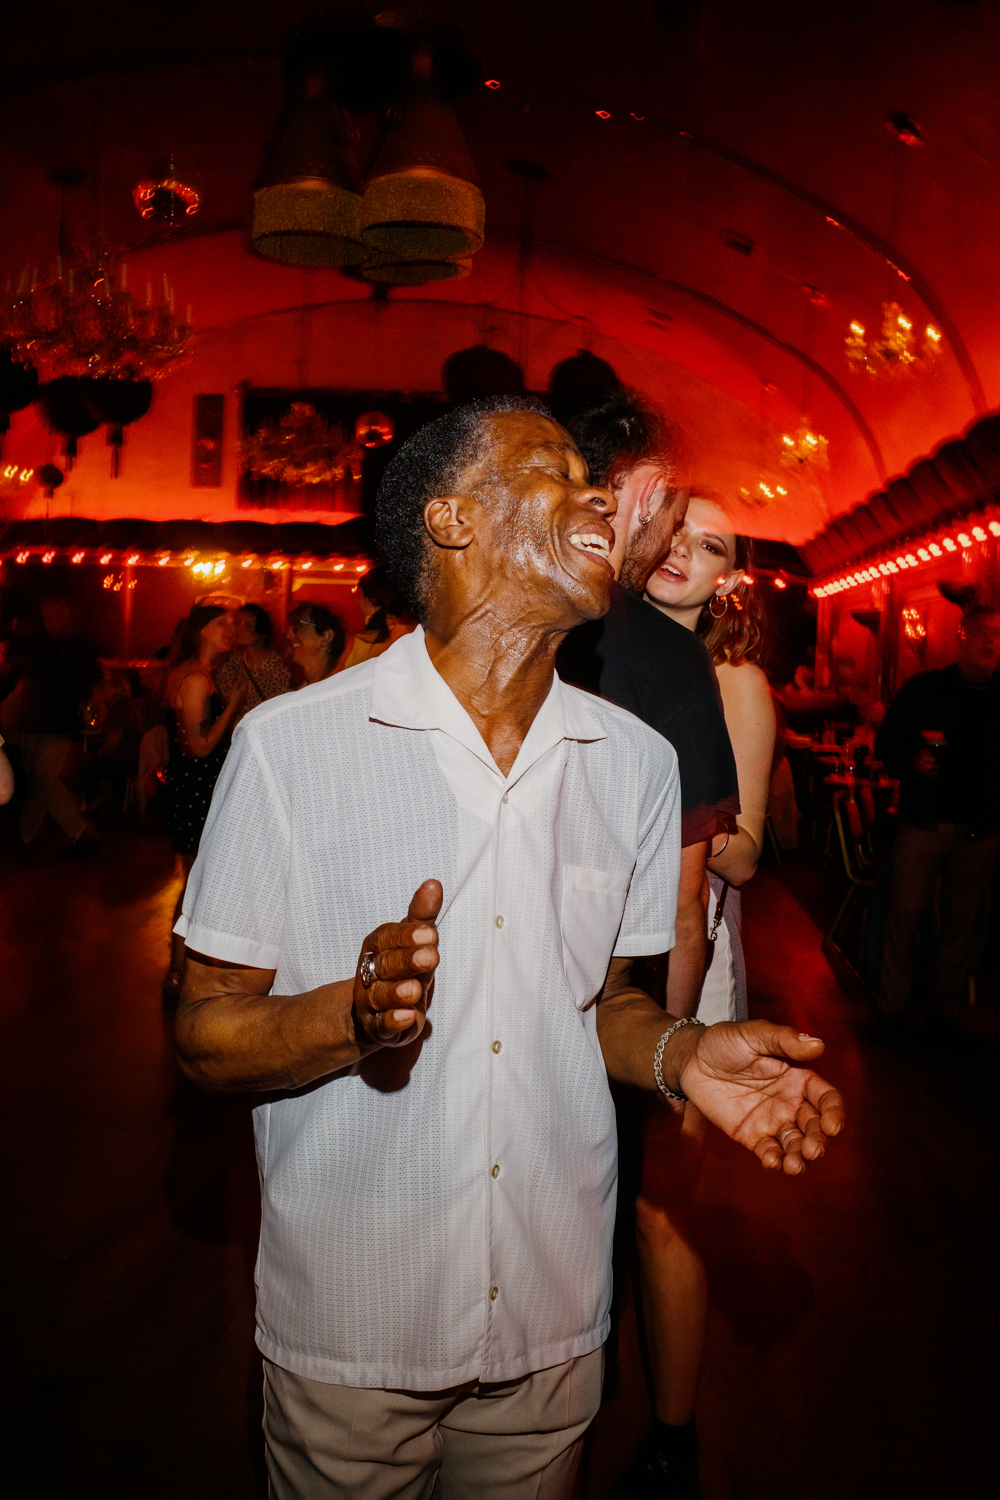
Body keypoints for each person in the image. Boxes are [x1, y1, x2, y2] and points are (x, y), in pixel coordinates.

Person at [173, 396, 843, 1500]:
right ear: (451, 519)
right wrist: (350, 1014)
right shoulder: (292, 749)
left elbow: (603, 1007)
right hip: (357, 1324)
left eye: (600, 476)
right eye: (556, 470)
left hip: (551, 1327)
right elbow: (203, 1034)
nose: (601, 497)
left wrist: (683, 1055)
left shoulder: (628, 761)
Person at [624, 493, 778, 1499]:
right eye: (674, 529)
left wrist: (681, 804)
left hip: (690, 954)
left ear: (727, 575)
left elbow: (751, 855)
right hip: (585, 953)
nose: (685, 551)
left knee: (661, 1205)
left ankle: (671, 1438)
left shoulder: (735, 682)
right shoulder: (589, 652)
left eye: (710, 543)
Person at [875, 603, 1000, 1025]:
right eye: (983, 632)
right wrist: (911, 759)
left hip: (980, 832)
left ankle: (943, 1014)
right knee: (904, 918)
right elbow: (885, 743)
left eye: (999, 635)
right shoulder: (925, 690)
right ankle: (891, 1008)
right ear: (962, 636)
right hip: (924, 826)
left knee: (961, 929)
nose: (991, 642)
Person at [162, 606, 246, 999]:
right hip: (195, 790)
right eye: (222, 624)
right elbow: (198, 748)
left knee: (198, 879)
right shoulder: (195, 679)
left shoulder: (202, 675)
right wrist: (233, 707)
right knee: (196, 881)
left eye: (234, 624)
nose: (232, 630)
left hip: (196, 789)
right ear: (201, 631)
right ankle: (178, 974)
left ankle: (183, 970)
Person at [17, 594, 101, 854]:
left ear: (65, 612)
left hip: (59, 724)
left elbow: (92, 679)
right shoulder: (36, 642)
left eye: (54, 610)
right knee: (45, 782)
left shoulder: (78, 646)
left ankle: (25, 837)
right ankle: (79, 830)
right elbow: (22, 676)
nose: (49, 616)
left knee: (42, 779)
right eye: (45, 612)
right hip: (32, 721)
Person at [217, 602, 291, 721]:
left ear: (262, 631)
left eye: (247, 624)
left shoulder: (279, 666)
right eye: (237, 623)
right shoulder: (230, 664)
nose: (238, 629)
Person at [79, 672, 144, 807]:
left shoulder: (119, 710)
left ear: (113, 691)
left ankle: (95, 801)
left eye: (105, 688)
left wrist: (97, 754)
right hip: (131, 756)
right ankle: (116, 795)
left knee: (89, 766)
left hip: (126, 759)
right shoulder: (126, 707)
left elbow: (113, 744)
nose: (102, 691)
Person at [339, 565, 416, 669]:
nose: (357, 605)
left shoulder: (356, 646)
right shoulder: (419, 635)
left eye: (358, 594)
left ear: (371, 600)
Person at [286, 602, 348, 686]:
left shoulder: (335, 688)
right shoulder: (309, 685)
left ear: (326, 637)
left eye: (297, 626)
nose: (288, 635)